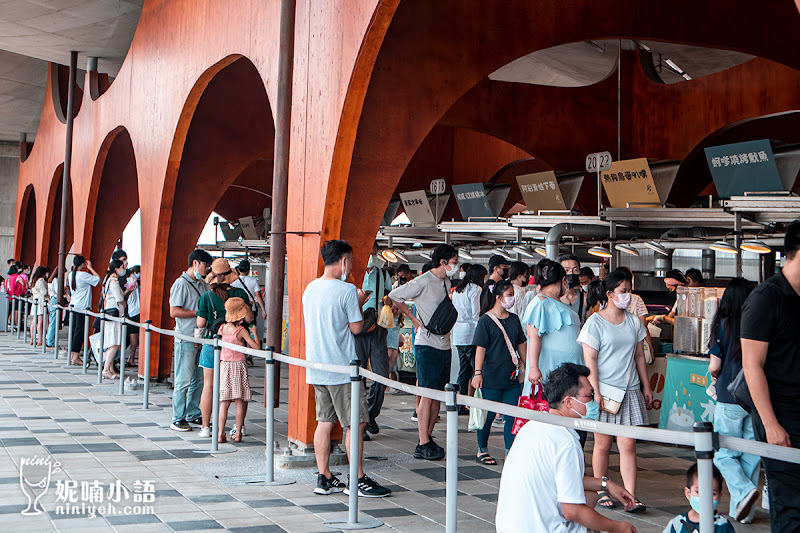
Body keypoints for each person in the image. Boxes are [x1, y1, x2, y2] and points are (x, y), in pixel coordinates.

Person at [496, 362, 636, 533]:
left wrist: (607, 485)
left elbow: (562, 476)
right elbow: (571, 511)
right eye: (590, 396)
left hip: (508, 527)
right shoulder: (565, 441)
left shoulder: (533, 426)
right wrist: (616, 527)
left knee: (590, 495)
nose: (595, 403)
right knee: (592, 515)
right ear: (568, 402)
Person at [302, 239, 390, 497]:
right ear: (343, 261)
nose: (350, 266)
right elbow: (355, 327)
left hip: (317, 365)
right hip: (342, 367)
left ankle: (324, 476)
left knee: (324, 421)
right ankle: (358, 479)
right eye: (350, 260)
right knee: (356, 423)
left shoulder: (310, 288)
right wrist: (360, 301)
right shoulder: (347, 290)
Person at [741, 219, 800, 529]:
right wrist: (771, 425)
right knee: (791, 505)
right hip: (781, 419)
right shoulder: (766, 298)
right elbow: (752, 366)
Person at [579, 272, 652, 513]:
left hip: (629, 391)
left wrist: (646, 386)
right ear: (610, 294)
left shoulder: (633, 321)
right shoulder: (595, 322)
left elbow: (640, 355)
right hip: (606, 392)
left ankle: (631, 495)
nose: (627, 296)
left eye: (629, 291)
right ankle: (601, 491)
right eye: (623, 291)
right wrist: (595, 392)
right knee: (602, 444)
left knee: (628, 445)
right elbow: (590, 360)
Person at [388, 244, 459, 461]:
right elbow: (394, 295)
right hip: (426, 344)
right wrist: (413, 318)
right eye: (454, 262)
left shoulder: (445, 281)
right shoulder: (423, 281)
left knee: (437, 393)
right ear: (443, 262)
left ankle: (428, 436)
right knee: (427, 393)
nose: (456, 266)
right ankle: (422, 441)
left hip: (444, 343)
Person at [707, 277, 760, 523]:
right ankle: (743, 511)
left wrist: (716, 374)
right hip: (756, 398)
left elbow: (714, 366)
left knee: (722, 452)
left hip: (729, 396)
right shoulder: (760, 324)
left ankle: (744, 490)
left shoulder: (723, 325)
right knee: (750, 452)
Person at [471, 280, 526, 464]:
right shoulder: (486, 320)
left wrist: (527, 366)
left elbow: (521, 344)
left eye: (513, 295)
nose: (512, 298)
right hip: (490, 375)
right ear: (498, 297)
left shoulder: (514, 319)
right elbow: (481, 348)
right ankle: (482, 450)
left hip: (511, 376)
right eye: (509, 294)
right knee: (487, 415)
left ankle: (510, 452)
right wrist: (477, 373)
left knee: (512, 416)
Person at [195, 258, 250, 438]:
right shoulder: (239, 294)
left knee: (209, 385)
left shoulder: (206, 297)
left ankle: (205, 427)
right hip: (235, 346)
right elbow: (249, 319)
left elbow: (200, 322)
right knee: (238, 389)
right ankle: (238, 427)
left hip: (213, 344)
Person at [168, 249, 212, 432]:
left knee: (198, 379)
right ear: (196, 263)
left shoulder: (202, 284)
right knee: (183, 379)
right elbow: (174, 311)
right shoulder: (180, 284)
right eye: (205, 265)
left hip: (199, 338)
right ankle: (177, 417)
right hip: (185, 337)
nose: (207, 269)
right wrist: (197, 313)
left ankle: (193, 413)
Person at [523, 260, 583, 385]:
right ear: (563, 280)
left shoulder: (554, 302)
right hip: (550, 373)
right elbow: (534, 336)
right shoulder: (540, 303)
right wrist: (534, 368)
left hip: (567, 375)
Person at [357, 243, 393, 439]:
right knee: (358, 375)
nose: (372, 256)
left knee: (381, 375)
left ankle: (370, 414)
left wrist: (388, 300)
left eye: (374, 253)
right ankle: (360, 421)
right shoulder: (354, 273)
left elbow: (389, 294)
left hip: (378, 327)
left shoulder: (381, 273)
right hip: (357, 328)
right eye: (369, 253)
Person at [216, 297, 257, 444]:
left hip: (225, 366)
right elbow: (256, 347)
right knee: (239, 402)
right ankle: (238, 432)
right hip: (238, 366)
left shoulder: (222, 328)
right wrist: (254, 333)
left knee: (224, 402)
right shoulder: (241, 331)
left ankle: (220, 433)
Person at [663, 464, 735, 533]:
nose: (705, 499)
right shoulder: (676, 524)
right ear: (688, 493)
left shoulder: (723, 525)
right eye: (699, 492)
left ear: (719, 496)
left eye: (712, 493)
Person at [452, 264, 487, 404]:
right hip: (471, 332)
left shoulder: (458, 290)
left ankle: (461, 401)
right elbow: (475, 313)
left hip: (458, 333)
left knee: (464, 369)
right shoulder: (475, 289)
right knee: (476, 367)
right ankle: (476, 401)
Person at [615, 267, 655, 363]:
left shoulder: (609, 299)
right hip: (634, 348)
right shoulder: (636, 299)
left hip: (615, 348)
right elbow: (643, 327)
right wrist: (651, 348)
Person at [67, 255, 99, 366]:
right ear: (83, 264)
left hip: (74, 305)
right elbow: (97, 279)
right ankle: (75, 356)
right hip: (82, 307)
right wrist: (90, 268)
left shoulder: (71, 274)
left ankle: (72, 355)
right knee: (79, 332)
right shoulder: (83, 275)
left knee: (74, 330)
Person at [101, 259, 127, 380]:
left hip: (109, 313)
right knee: (115, 343)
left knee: (111, 341)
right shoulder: (114, 281)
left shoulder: (107, 280)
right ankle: (106, 369)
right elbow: (119, 298)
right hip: (115, 314)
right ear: (116, 269)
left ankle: (110, 369)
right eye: (122, 267)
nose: (123, 269)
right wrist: (124, 302)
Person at [558, 253, 585, 324]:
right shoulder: (553, 299)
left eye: (575, 270)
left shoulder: (585, 298)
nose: (571, 273)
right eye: (566, 270)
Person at [28, 266, 49, 346]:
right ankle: (40, 339)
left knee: (34, 321)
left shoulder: (34, 280)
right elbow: (44, 292)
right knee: (40, 322)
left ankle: (32, 339)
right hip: (40, 302)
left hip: (35, 302)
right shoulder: (41, 280)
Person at [125, 266, 141, 365]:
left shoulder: (130, 282)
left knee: (133, 335)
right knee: (134, 335)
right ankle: (131, 357)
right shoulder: (133, 282)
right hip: (135, 311)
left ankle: (131, 358)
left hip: (133, 311)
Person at [45, 267, 61, 347]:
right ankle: (50, 342)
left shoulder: (50, 281)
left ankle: (50, 340)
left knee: (52, 321)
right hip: (55, 300)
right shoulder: (56, 280)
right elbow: (58, 291)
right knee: (53, 323)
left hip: (51, 300)